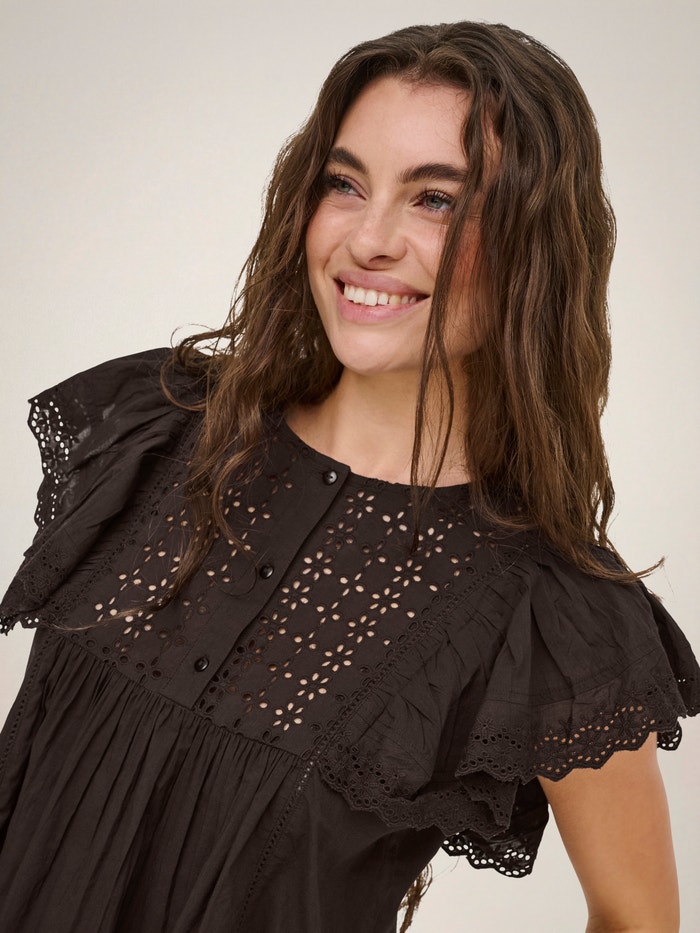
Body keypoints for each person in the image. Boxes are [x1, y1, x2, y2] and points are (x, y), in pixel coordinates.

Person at [0, 20, 697, 933]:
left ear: (535, 246)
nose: (369, 238)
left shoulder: (551, 609)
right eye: (345, 183)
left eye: (435, 200)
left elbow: (638, 917)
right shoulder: (155, 432)